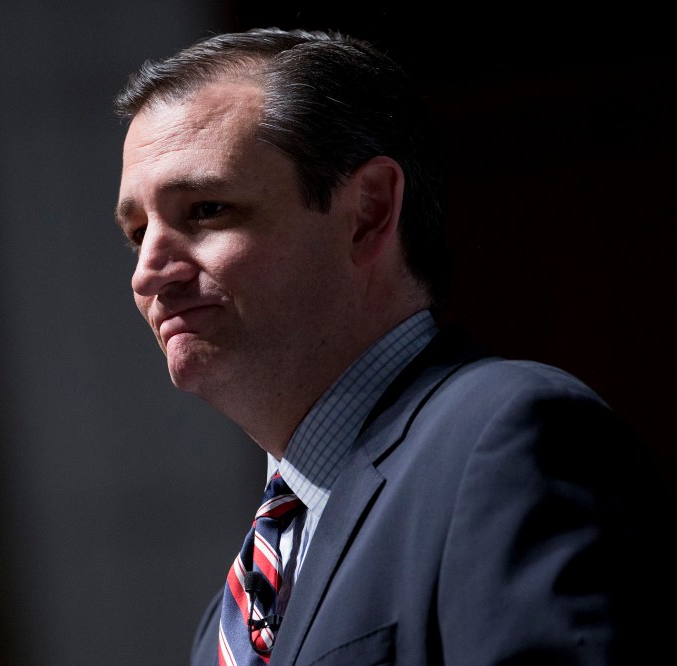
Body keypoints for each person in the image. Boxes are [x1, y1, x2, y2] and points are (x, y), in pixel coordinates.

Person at [112, 27, 674, 665]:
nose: (148, 272)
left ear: (369, 212)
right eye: (137, 231)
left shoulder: (510, 440)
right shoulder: (230, 614)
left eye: (207, 209)